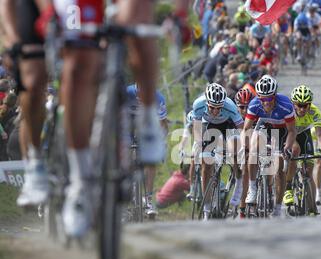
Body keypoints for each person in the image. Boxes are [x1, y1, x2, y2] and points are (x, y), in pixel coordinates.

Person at [52, 0, 192, 237]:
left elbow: (165, 122)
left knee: (139, 29)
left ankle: (146, 132)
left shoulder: (158, 97)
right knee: (78, 63)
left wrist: (179, 16)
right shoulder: (129, 93)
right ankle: (80, 182)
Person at [0, 0, 53, 207]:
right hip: (32, 11)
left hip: (73, 9)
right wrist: (11, 39)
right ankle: (34, 167)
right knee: (31, 84)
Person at [241, 75, 297, 217]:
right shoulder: (254, 104)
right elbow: (246, 129)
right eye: (262, 99)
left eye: (269, 99)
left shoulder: (285, 105)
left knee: (279, 168)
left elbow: (292, 131)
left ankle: (278, 207)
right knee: (253, 150)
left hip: (282, 131)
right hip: (264, 128)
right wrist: (244, 147)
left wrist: (287, 147)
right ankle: (253, 188)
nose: (266, 103)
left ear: (275, 96)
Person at [192, 83, 244, 220]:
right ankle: (206, 210)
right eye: (212, 108)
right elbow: (197, 128)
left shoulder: (230, 106)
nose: (215, 111)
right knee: (206, 165)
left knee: (235, 150)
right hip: (208, 125)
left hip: (228, 124)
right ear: (206, 102)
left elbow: (242, 128)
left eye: (219, 108)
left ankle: (239, 178)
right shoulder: (198, 104)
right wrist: (198, 144)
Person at [126, 83, 169, 217]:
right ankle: (127, 195)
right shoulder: (127, 92)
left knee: (151, 162)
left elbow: (162, 124)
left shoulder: (158, 97)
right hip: (128, 125)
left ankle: (148, 200)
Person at [285, 85, 321, 210]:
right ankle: (287, 187)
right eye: (299, 105)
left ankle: (312, 207)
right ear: (294, 104)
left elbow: (320, 135)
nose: (303, 109)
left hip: (304, 134)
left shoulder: (314, 111)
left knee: (308, 172)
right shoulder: (288, 110)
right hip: (288, 133)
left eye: (306, 105)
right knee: (295, 151)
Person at [231, 88, 254, 218]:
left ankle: (243, 207)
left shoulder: (255, 114)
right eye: (242, 107)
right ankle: (237, 177)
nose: (245, 110)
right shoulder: (233, 115)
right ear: (236, 106)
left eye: (248, 106)